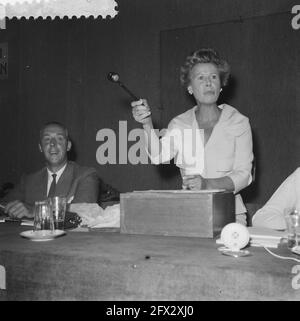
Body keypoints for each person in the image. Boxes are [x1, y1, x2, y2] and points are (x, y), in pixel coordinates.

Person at [131, 48, 253, 225]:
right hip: (190, 213)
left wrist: (207, 185)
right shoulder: (179, 123)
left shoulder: (239, 122)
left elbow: (244, 175)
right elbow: (158, 156)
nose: (208, 83)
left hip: (230, 215)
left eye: (213, 77)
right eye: (200, 78)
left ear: (221, 85)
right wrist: (147, 124)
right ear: (190, 88)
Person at [1, 121, 99, 219]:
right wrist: (14, 209)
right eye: (47, 139)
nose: (53, 144)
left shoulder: (86, 175)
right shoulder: (28, 180)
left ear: (68, 146)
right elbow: (3, 204)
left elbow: (85, 210)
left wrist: (36, 211)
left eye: (59, 138)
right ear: (40, 147)